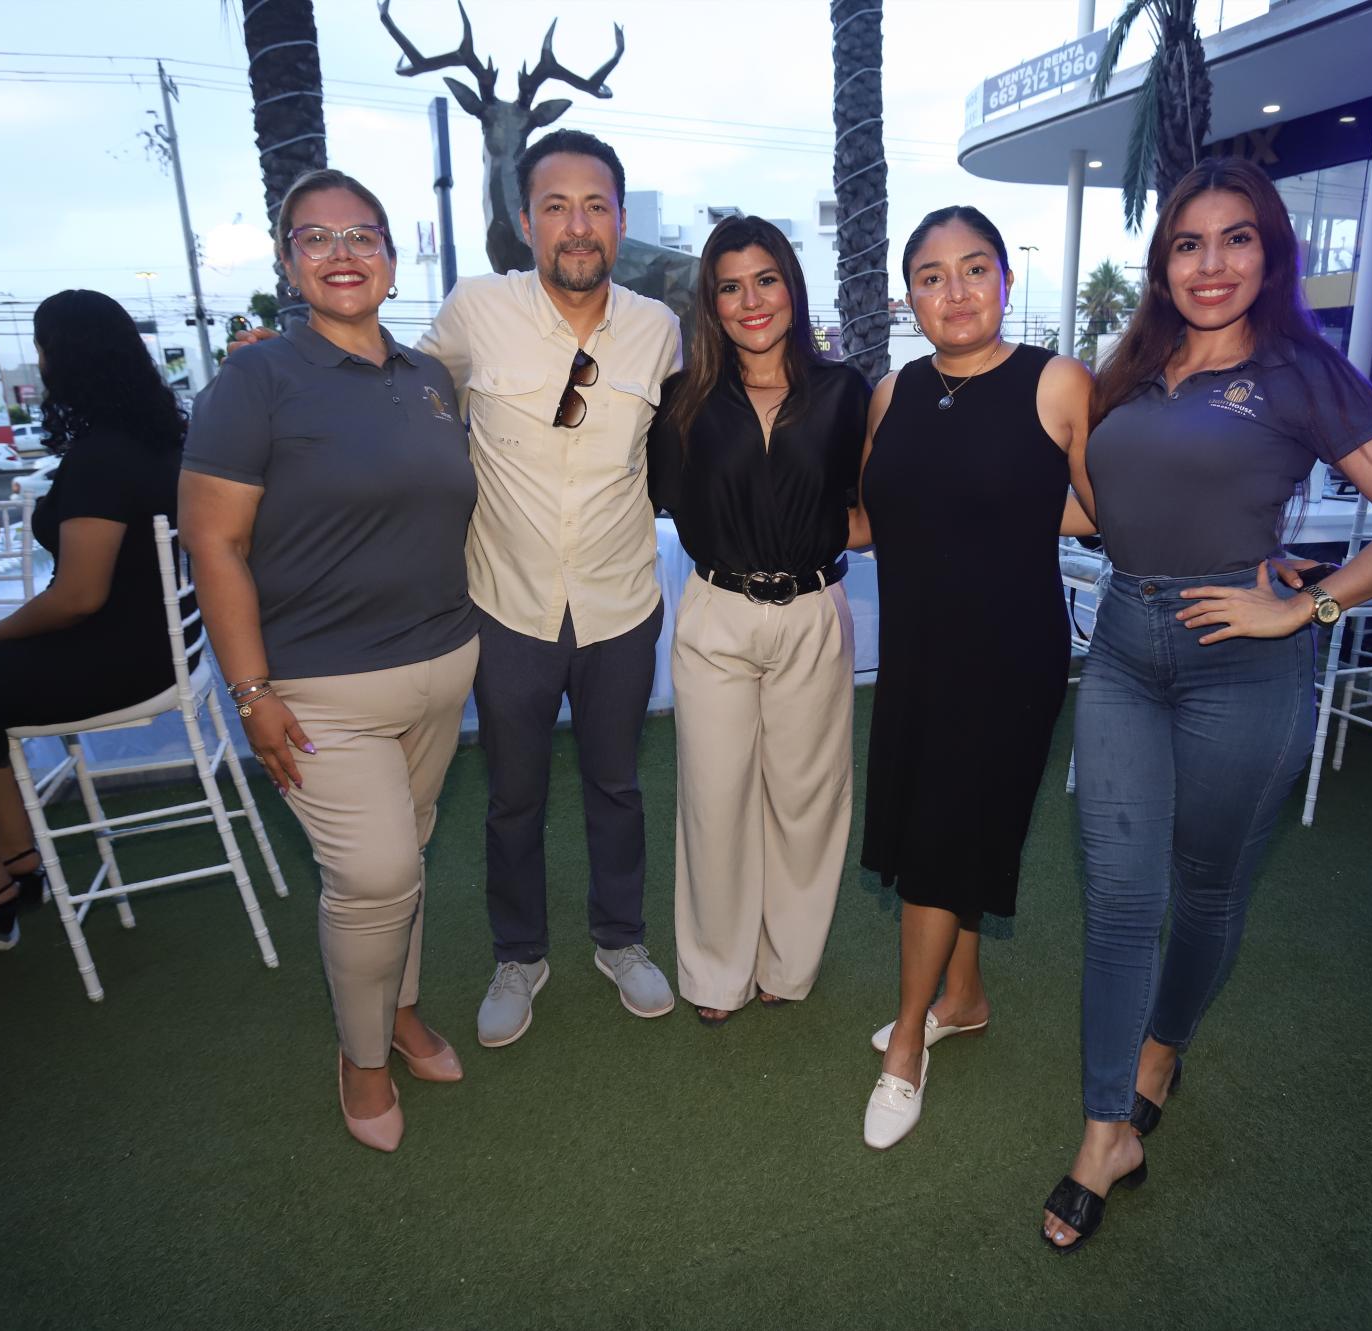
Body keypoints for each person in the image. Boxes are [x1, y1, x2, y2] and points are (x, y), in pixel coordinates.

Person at [1045, 158, 1372, 1252]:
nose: (1210, 263)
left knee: (1206, 886)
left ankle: (1162, 1046)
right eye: (1188, 243)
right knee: (1119, 895)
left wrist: (1310, 605)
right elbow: (1091, 500)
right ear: (1162, 261)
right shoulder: (1127, 367)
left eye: (1235, 240)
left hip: (1245, 661)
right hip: (1126, 652)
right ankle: (1104, 1131)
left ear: (1268, 254)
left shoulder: (1298, 372)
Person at [184, 169, 478, 1153]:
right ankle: (360, 1057)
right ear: (286, 263)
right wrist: (250, 690)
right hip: (315, 687)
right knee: (377, 871)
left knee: (409, 854)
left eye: (362, 234)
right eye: (315, 238)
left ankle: (397, 1011)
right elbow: (214, 545)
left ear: (393, 262)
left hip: (440, 666)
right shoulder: (256, 380)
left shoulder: (429, 380)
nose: (342, 251)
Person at [419, 129, 683, 1046]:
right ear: (525, 220)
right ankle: (518, 954)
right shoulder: (473, 311)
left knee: (618, 784)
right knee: (511, 795)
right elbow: (408, 399)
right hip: (506, 604)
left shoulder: (658, 328)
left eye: (597, 205)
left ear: (618, 220)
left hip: (622, 605)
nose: (579, 225)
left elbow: (693, 439)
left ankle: (622, 940)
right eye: (558, 206)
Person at [855, 206, 1095, 1150]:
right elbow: (869, 518)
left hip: (1006, 656)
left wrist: (1245, 553)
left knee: (943, 839)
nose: (954, 292)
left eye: (975, 268)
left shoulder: (1057, 380)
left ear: (1004, 278)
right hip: (916, 652)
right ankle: (964, 996)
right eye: (930, 275)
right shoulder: (894, 392)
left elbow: (1103, 505)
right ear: (908, 292)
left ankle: (908, 1042)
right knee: (931, 824)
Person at [0, 290, 184, 944]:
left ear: (63, 358)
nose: (39, 362)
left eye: (43, 348)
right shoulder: (154, 441)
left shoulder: (104, 455)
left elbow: (78, 594)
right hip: (149, 651)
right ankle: (17, 855)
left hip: (111, 659)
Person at [647, 216, 869, 1025]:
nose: (751, 301)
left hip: (813, 610)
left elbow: (874, 509)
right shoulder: (682, 399)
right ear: (711, 301)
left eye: (765, 279)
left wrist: (808, 534)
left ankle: (789, 963)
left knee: (807, 800)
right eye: (730, 286)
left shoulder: (846, 392)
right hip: (717, 614)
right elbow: (653, 497)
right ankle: (714, 973)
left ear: (792, 286)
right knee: (714, 796)